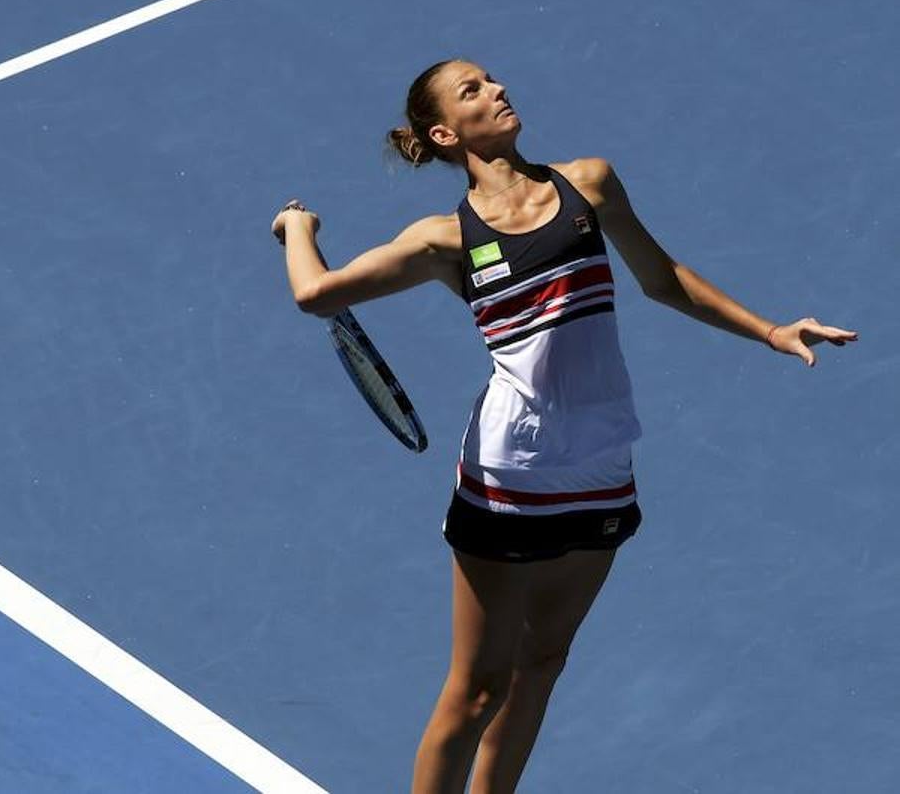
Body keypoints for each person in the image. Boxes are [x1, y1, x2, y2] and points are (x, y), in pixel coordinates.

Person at [269, 58, 858, 794]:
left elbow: (661, 278)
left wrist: (769, 331)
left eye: (492, 78)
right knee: (477, 688)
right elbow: (315, 294)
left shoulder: (590, 184)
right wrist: (299, 225)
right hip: (509, 475)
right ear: (447, 132)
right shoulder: (442, 239)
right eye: (474, 90)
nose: (499, 89)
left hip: (602, 469)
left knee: (541, 667)